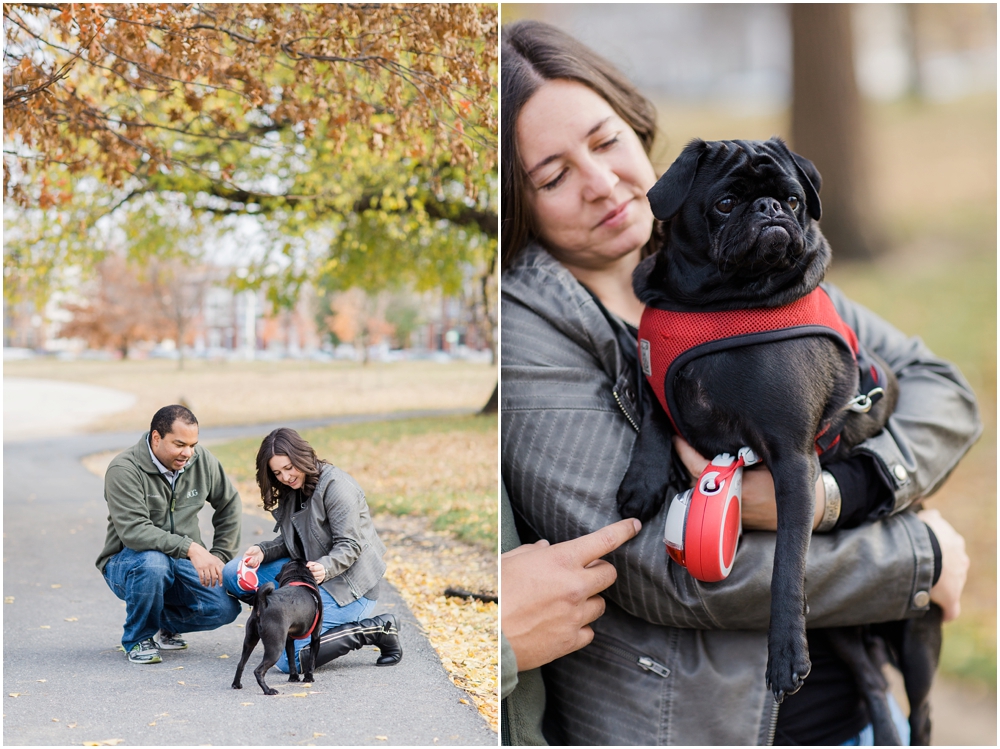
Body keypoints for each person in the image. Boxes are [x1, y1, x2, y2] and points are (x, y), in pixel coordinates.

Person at [500, 20, 978, 746]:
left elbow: (943, 386)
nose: (601, 184)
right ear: (517, 199)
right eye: (554, 176)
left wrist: (843, 492)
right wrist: (917, 557)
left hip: (855, 714)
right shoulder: (527, 329)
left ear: (637, 130)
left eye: (605, 143)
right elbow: (651, 564)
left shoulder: (739, 260)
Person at [222, 427, 401, 674]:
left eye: (289, 468)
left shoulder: (337, 487)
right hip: (309, 577)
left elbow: (350, 545)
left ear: (301, 457)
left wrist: (326, 567)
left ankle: (376, 629)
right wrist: (263, 551)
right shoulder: (292, 489)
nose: (285, 477)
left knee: (288, 661)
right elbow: (294, 541)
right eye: (277, 473)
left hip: (348, 587)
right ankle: (285, 623)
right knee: (233, 573)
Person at [96, 404, 243, 664]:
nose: (188, 453)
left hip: (180, 561)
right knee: (154, 563)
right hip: (129, 563)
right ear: (156, 437)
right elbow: (134, 532)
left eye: (192, 444)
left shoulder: (202, 461)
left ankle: (163, 624)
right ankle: (138, 637)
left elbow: (229, 503)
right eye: (179, 444)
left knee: (224, 608)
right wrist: (194, 549)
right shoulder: (124, 469)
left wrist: (220, 555)